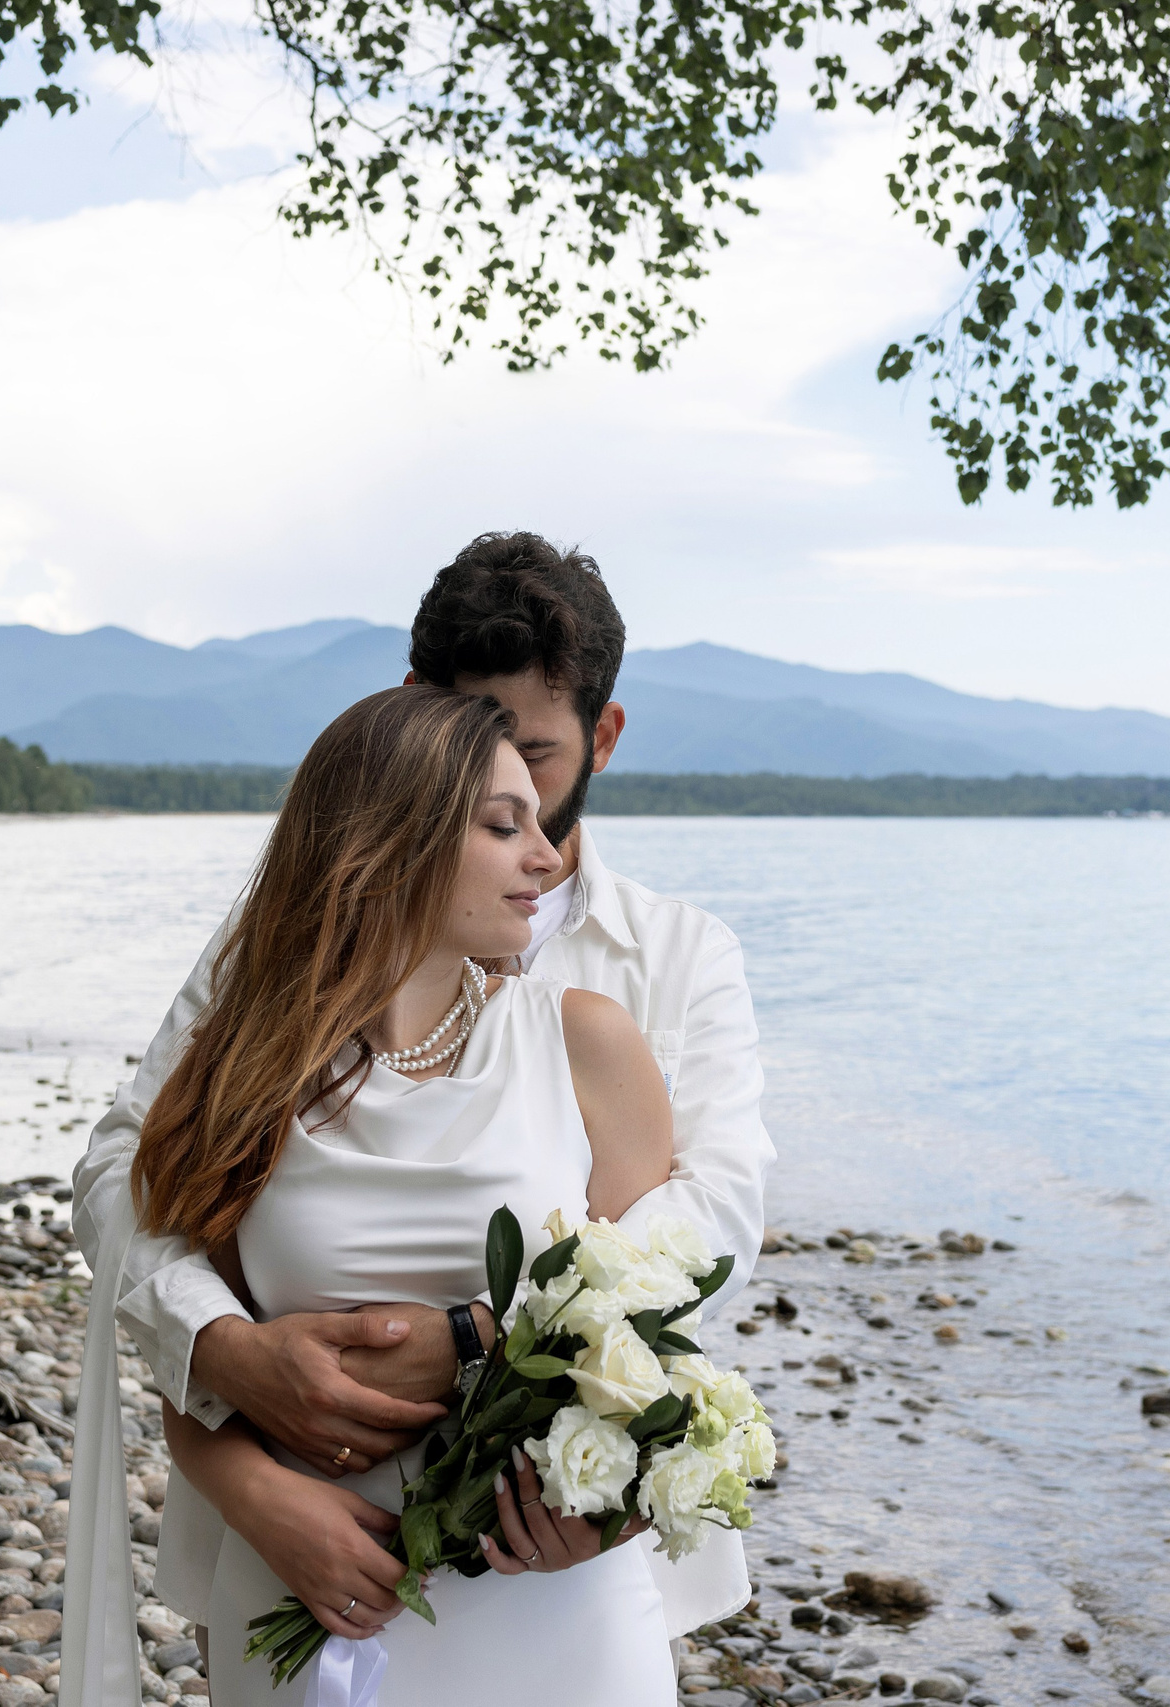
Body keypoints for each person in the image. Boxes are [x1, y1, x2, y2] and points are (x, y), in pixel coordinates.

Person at [64, 536, 773, 1702]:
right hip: (306, 1562)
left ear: (599, 739)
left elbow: (712, 1226)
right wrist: (228, 1378)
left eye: (530, 759)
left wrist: (491, 1334)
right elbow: (133, 1188)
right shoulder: (267, 985)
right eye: (455, 749)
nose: (521, 824)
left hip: (556, 1547)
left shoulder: (664, 969)